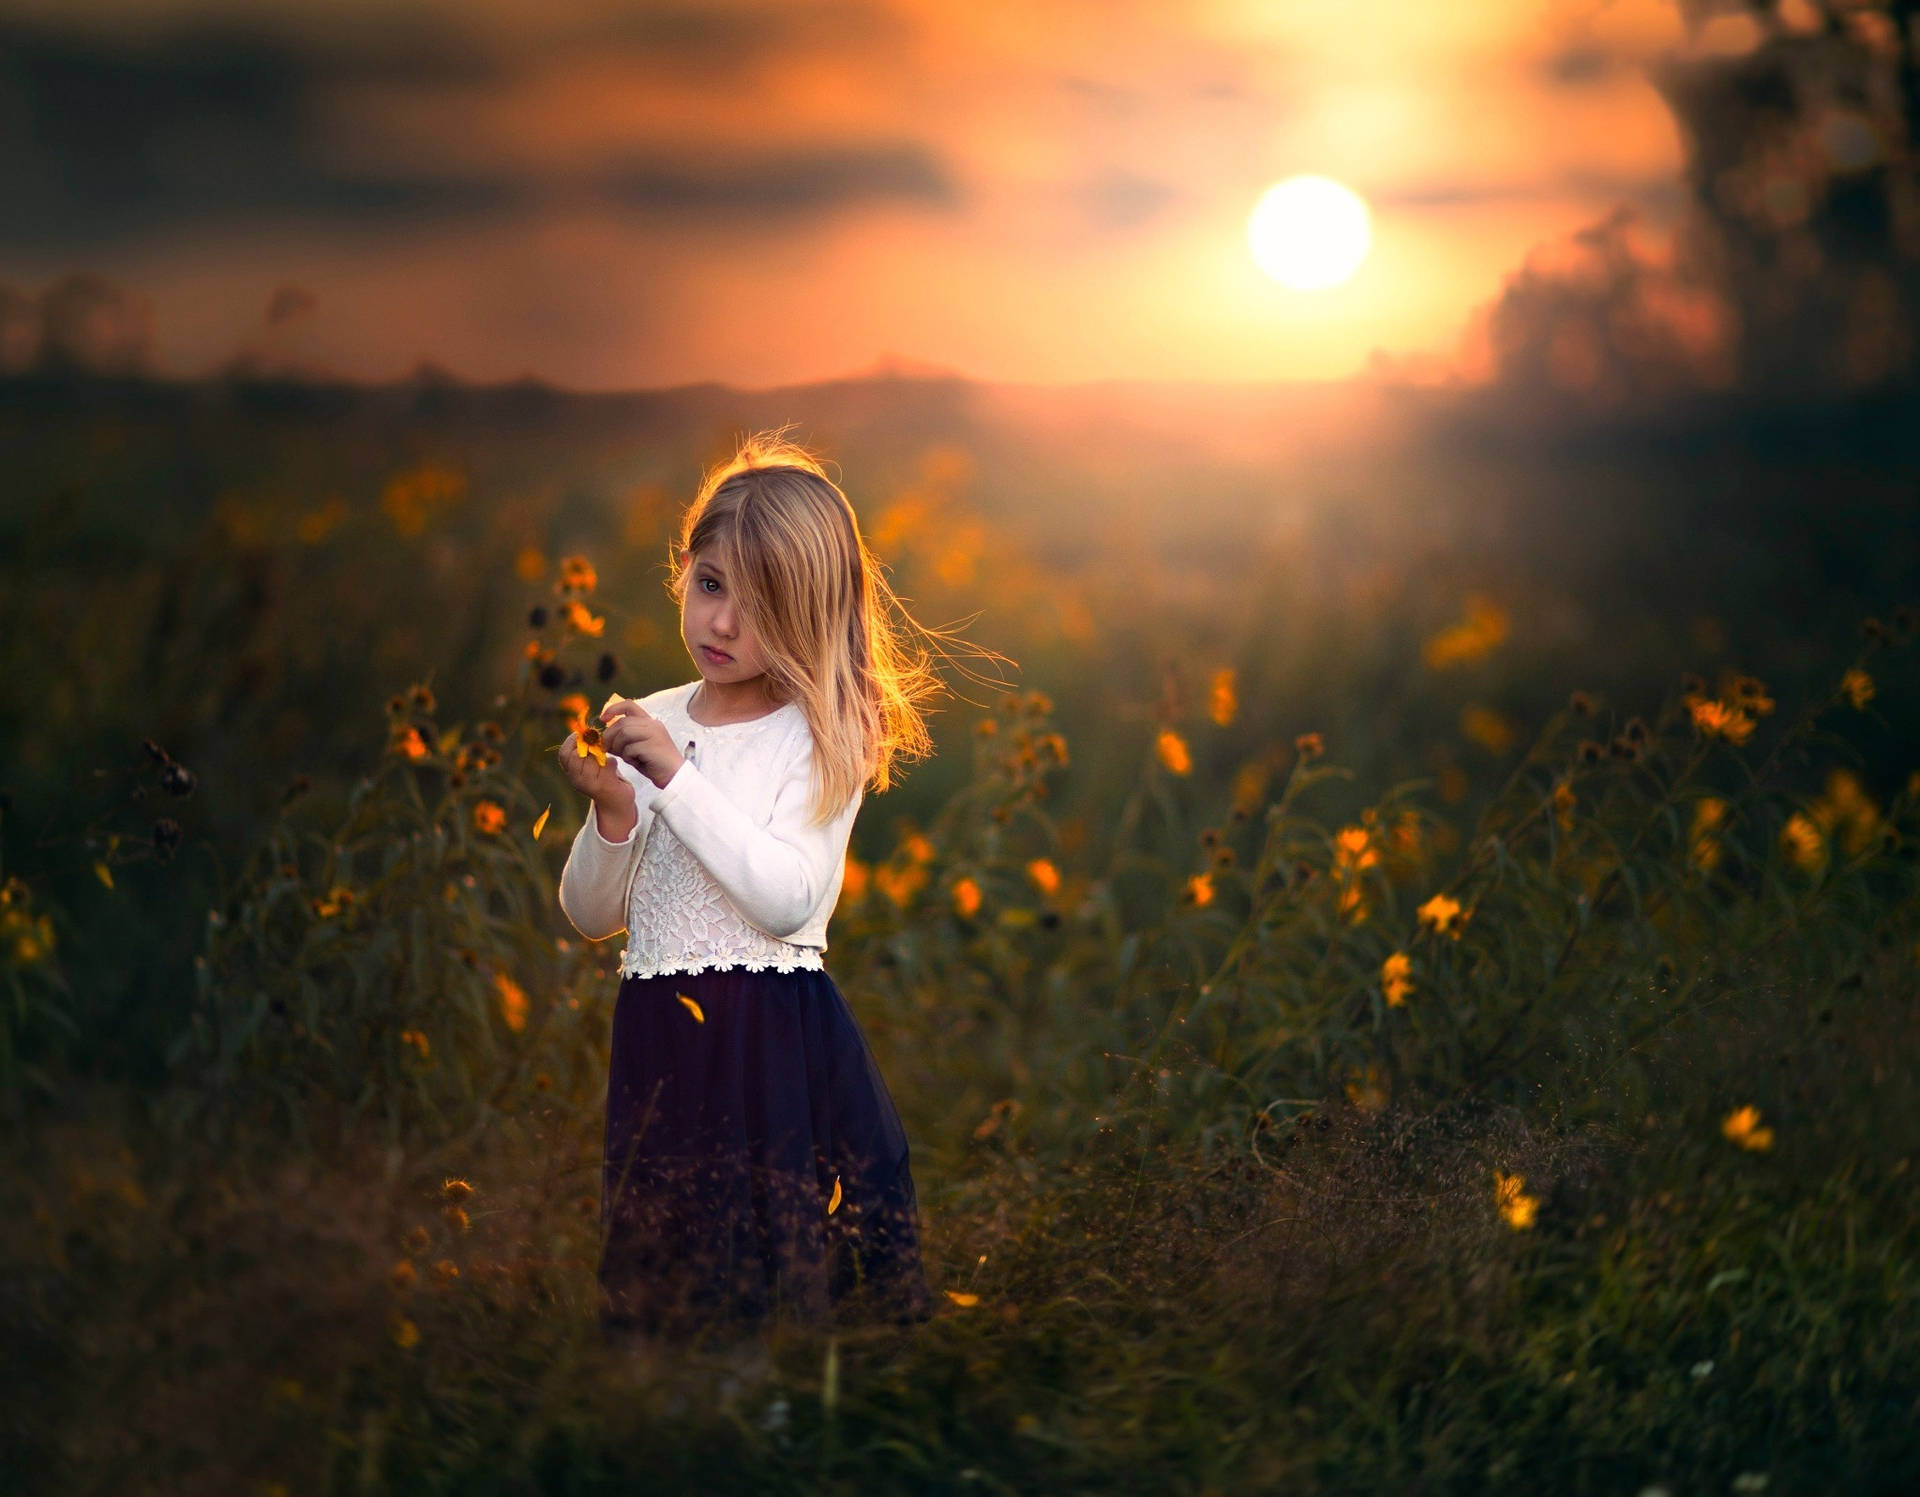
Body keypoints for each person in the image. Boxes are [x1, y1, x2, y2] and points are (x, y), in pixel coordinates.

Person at [555, 430, 983, 1345]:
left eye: (759, 606)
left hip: (768, 1033)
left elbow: (786, 896)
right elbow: (589, 916)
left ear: (811, 613)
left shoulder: (822, 731)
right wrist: (613, 816)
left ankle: (781, 1423)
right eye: (709, 585)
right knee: (669, 1251)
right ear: (683, 569)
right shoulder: (657, 719)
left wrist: (674, 780)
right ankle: (673, 1422)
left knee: (771, 1247)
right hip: (662, 1031)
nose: (721, 625)